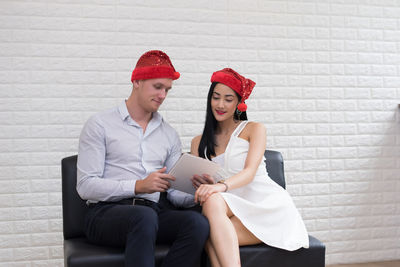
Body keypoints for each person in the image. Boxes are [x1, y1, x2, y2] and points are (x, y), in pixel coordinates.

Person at [76, 50, 209, 267]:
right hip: (104, 214)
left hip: (151, 214)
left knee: (197, 223)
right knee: (143, 218)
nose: (163, 95)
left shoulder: (169, 134)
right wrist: (138, 186)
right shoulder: (100, 124)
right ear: (136, 81)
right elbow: (85, 186)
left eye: (167, 90)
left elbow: (174, 194)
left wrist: (198, 190)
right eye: (158, 87)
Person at [190, 68, 309, 267]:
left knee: (211, 225)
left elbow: (249, 172)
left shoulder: (254, 129)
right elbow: (205, 186)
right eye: (216, 97)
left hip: (265, 205)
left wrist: (219, 186)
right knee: (210, 210)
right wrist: (206, 183)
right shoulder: (198, 143)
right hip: (229, 207)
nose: (220, 104)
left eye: (228, 99)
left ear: (239, 103)